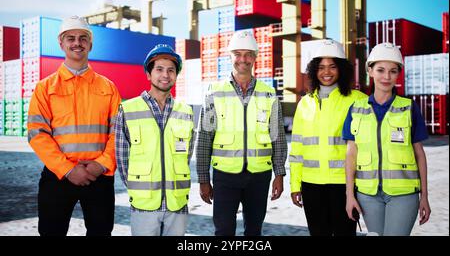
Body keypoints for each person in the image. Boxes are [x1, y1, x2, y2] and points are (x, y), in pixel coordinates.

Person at [27, 16, 121, 236]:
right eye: (71, 38)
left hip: (99, 176)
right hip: (58, 176)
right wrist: (67, 169)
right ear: (61, 43)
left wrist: (102, 164)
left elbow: (120, 133)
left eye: (83, 38)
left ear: (90, 44)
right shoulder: (45, 88)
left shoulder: (109, 88)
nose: (77, 43)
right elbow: (37, 133)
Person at [196, 29, 287, 236]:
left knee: (254, 231)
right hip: (225, 175)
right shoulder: (214, 91)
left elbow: (278, 137)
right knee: (224, 231)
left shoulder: (268, 92)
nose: (243, 59)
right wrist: (203, 178)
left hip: (259, 176)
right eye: (237, 54)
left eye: (248, 54)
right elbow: (204, 138)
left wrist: (279, 173)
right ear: (230, 57)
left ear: (255, 57)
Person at [343, 42, 431, 236]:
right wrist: (350, 195)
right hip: (367, 195)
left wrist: (424, 196)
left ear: (398, 74)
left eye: (393, 71)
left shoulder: (409, 108)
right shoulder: (356, 109)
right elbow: (351, 155)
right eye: (380, 70)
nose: (386, 76)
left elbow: (419, 154)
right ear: (370, 71)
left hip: (404, 195)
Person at [289, 39, 367, 236]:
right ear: (314, 71)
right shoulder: (304, 103)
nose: (327, 72)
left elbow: (366, 147)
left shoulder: (358, 100)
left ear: (341, 69)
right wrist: (295, 184)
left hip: (344, 184)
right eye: (321, 67)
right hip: (311, 184)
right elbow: (297, 148)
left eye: (332, 66)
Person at [114, 44, 194, 236]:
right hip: (144, 205)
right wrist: (140, 188)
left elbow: (186, 155)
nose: (165, 75)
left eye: (171, 70)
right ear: (149, 75)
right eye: (159, 69)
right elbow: (122, 159)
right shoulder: (128, 110)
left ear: (176, 75)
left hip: (177, 203)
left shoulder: (186, 111)